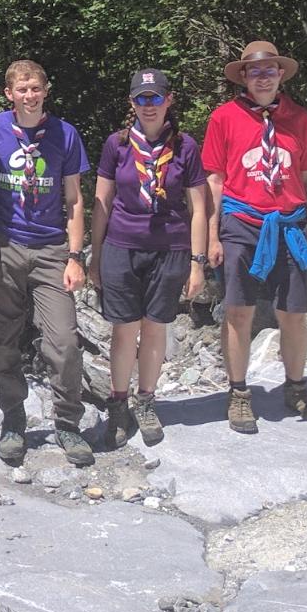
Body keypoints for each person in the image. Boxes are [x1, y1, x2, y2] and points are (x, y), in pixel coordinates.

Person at [0, 59, 95, 467]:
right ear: (9, 93)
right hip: (4, 247)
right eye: (22, 89)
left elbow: (74, 199)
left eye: (36, 88)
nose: (30, 95)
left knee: (64, 342)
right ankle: (13, 419)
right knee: (4, 339)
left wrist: (75, 256)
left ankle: (68, 422)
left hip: (51, 249)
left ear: (45, 91)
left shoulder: (65, 134)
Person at [204, 40, 307, 433]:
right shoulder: (224, 118)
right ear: (243, 76)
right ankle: (239, 394)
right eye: (254, 71)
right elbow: (215, 180)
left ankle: (296, 388)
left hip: (289, 225)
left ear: (280, 74)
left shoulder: (299, 118)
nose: (262, 78)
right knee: (238, 311)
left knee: (294, 313)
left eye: (269, 70)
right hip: (241, 223)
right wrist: (212, 237)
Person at [87, 67, 209, 448]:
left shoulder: (185, 146)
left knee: (156, 327)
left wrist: (198, 262)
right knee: (124, 329)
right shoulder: (117, 144)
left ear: (168, 99)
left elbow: (199, 209)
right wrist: (94, 255)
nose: (149, 105)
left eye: (155, 97)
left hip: (170, 248)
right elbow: (102, 201)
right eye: (141, 98)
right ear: (132, 102)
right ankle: (118, 404)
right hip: (121, 247)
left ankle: (146, 400)